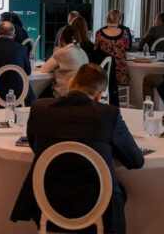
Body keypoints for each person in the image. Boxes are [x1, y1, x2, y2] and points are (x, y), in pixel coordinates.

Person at [11, 63, 145, 233]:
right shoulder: (108, 115)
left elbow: (35, 146)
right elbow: (136, 160)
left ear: (71, 83)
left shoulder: (40, 108)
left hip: (45, 202)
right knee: (118, 192)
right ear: (99, 95)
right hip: (96, 209)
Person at [41, 25, 89, 97]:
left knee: (38, 97)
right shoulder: (83, 52)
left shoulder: (63, 52)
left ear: (61, 38)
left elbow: (44, 69)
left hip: (64, 95)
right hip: (81, 95)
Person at [95, 10, 132, 87]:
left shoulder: (99, 33)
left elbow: (96, 51)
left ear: (106, 19)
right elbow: (127, 51)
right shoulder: (125, 33)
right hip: (120, 74)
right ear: (119, 20)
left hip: (104, 73)